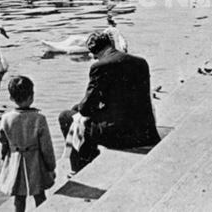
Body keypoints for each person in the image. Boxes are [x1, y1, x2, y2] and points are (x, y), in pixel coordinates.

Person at [58, 30, 160, 173]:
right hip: (146, 132)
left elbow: (87, 108)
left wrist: (80, 107)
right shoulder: (141, 62)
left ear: (94, 52)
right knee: (80, 111)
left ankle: (79, 167)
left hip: (121, 136)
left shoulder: (99, 67)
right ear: (110, 44)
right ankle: (87, 155)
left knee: (66, 116)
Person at [0, 75, 56, 211]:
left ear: (11, 98)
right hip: (36, 163)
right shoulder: (39, 118)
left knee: (18, 198)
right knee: (40, 195)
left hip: (15, 161)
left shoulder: (6, 118)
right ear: (32, 96)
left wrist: (5, 162)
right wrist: (51, 167)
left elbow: (3, 144)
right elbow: (47, 147)